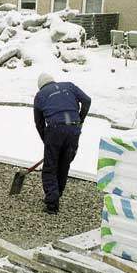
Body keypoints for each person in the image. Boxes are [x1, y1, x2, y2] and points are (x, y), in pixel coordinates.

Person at [33, 73, 91, 214]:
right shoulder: (69, 86)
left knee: (50, 167)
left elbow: (39, 123)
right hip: (73, 129)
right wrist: (80, 119)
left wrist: (46, 141)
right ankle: (56, 194)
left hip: (55, 129)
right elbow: (87, 100)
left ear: (41, 85)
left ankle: (52, 204)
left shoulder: (40, 95)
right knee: (64, 163)